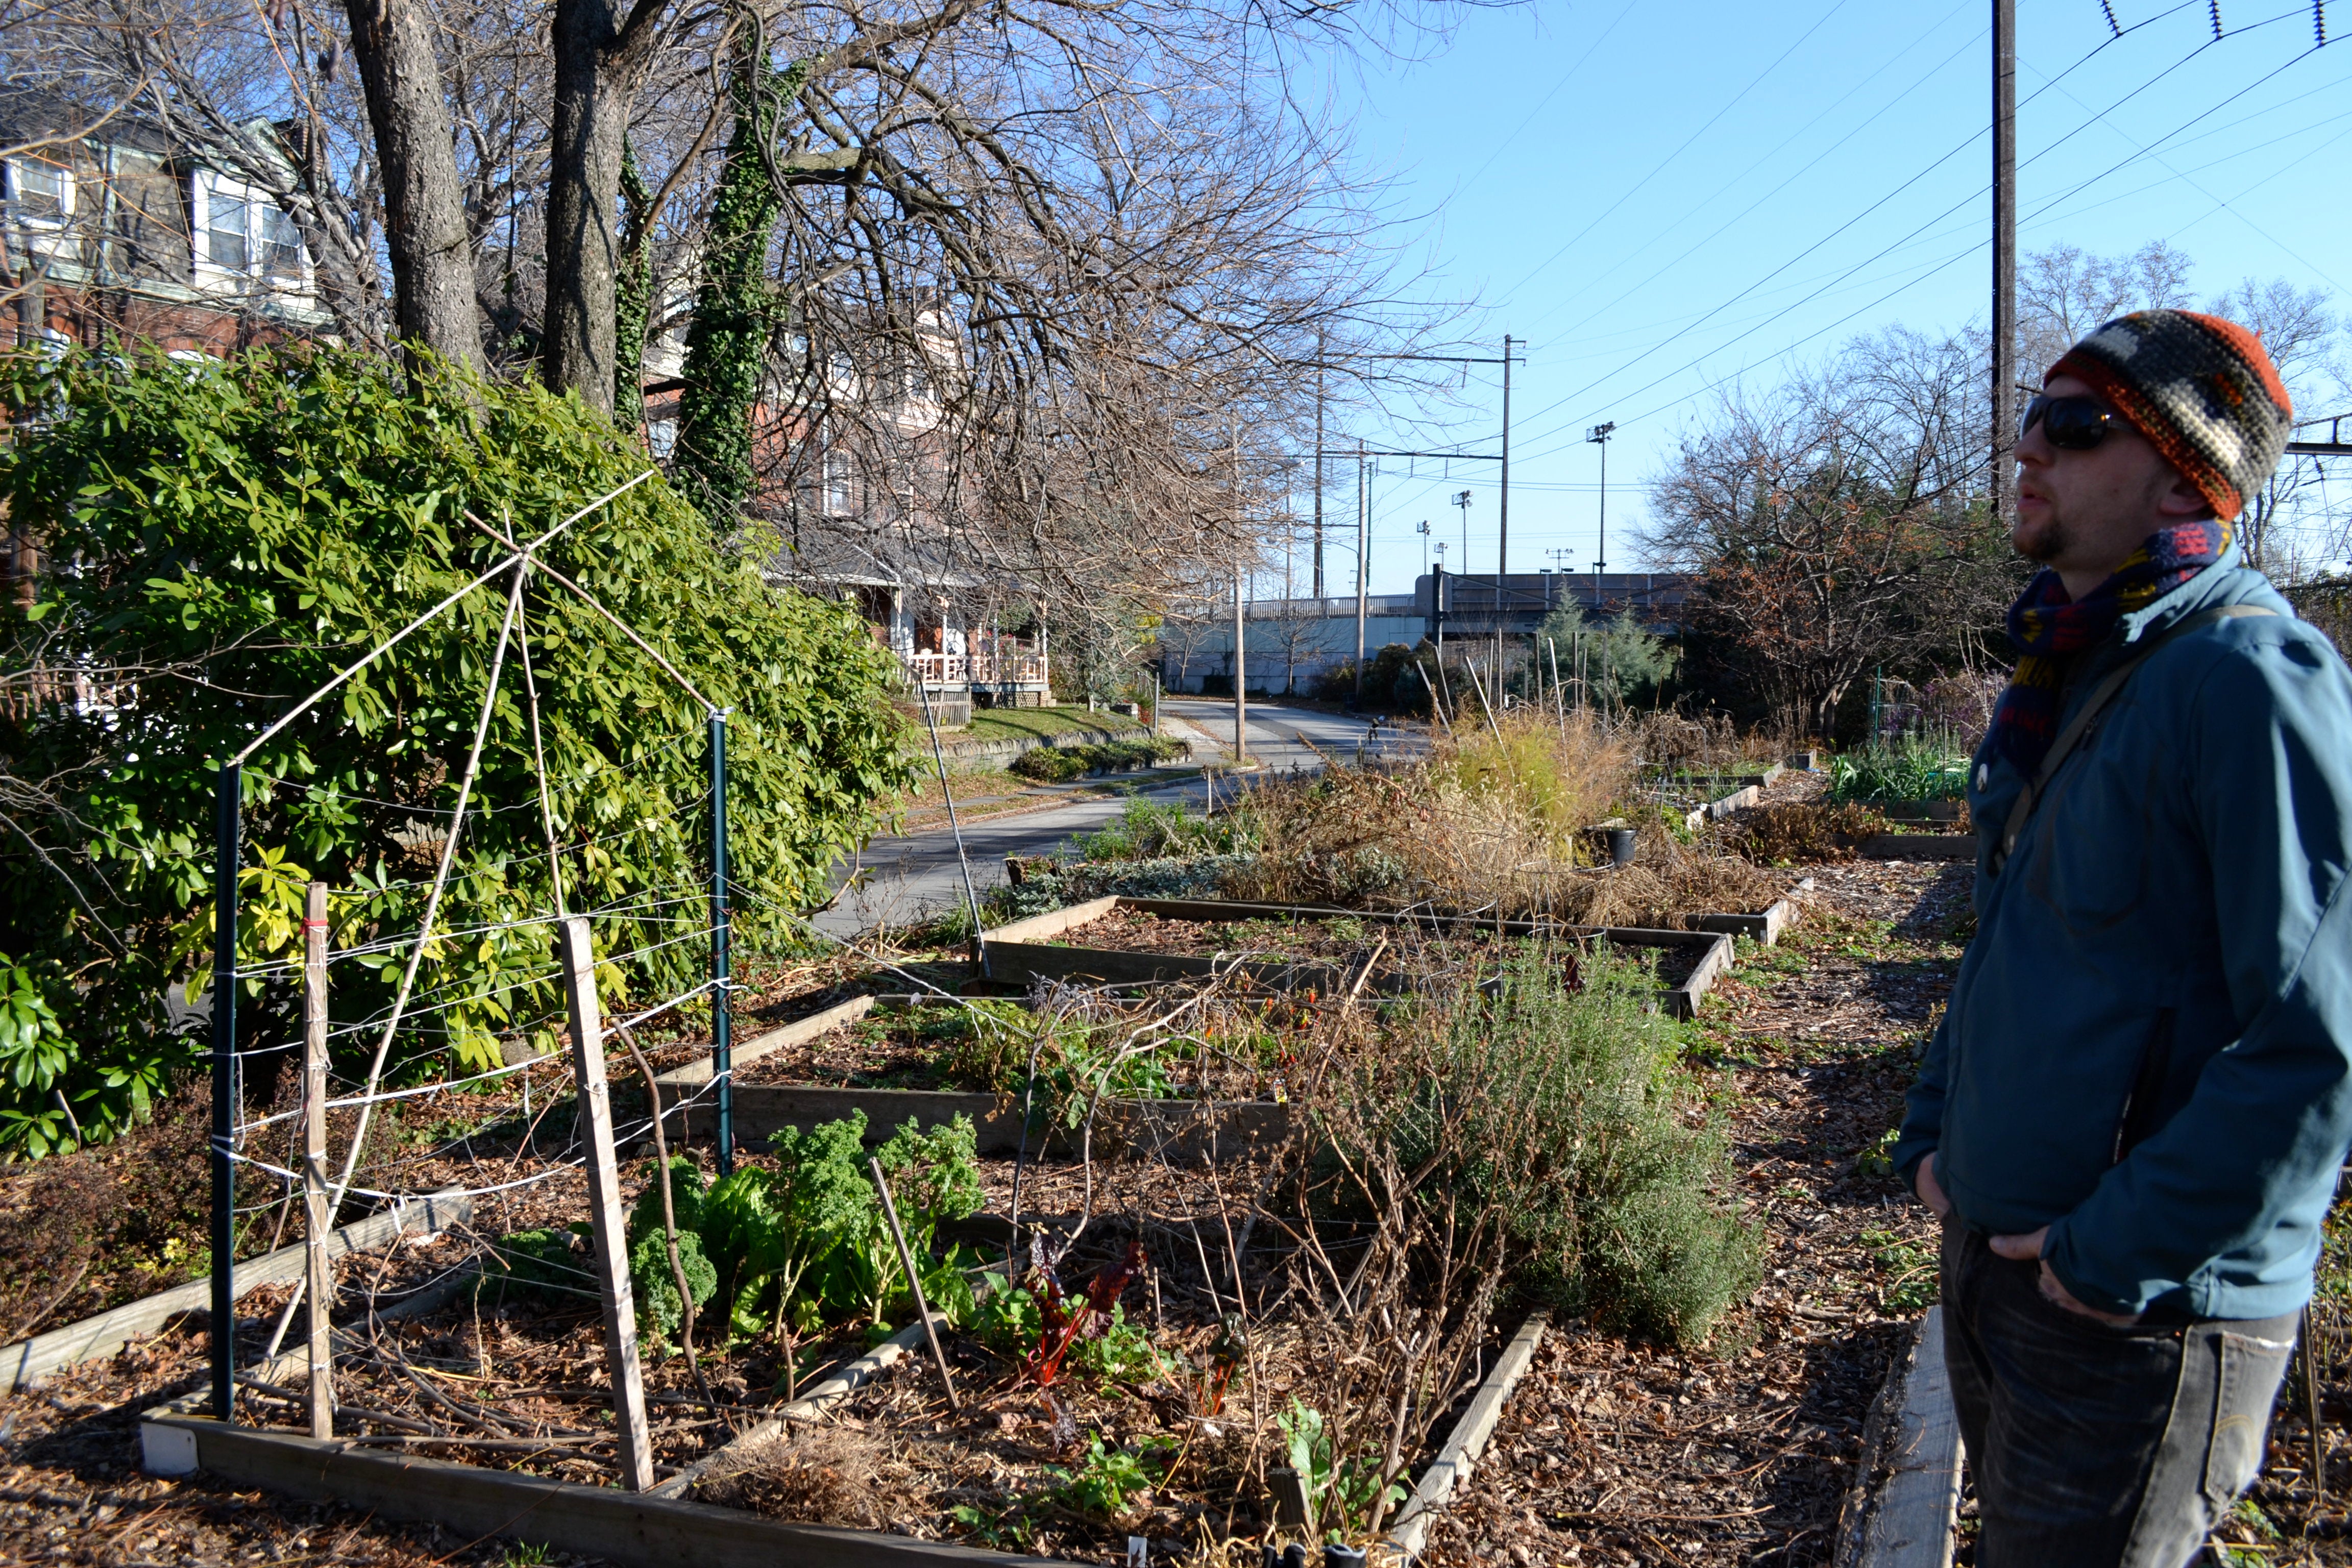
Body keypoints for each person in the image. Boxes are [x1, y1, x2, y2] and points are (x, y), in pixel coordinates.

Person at [1892, 308, 2352, 1567]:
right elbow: (2013, 949)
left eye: (2077, 425)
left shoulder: (2247, 679)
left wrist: (2108, 1255)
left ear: (2182, 477)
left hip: (2135, 1315)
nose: (2027, 448)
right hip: (2011, 1272)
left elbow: (2319, 1046)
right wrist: (1937, 1134)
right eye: (2033, 417)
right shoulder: (2077, 671)